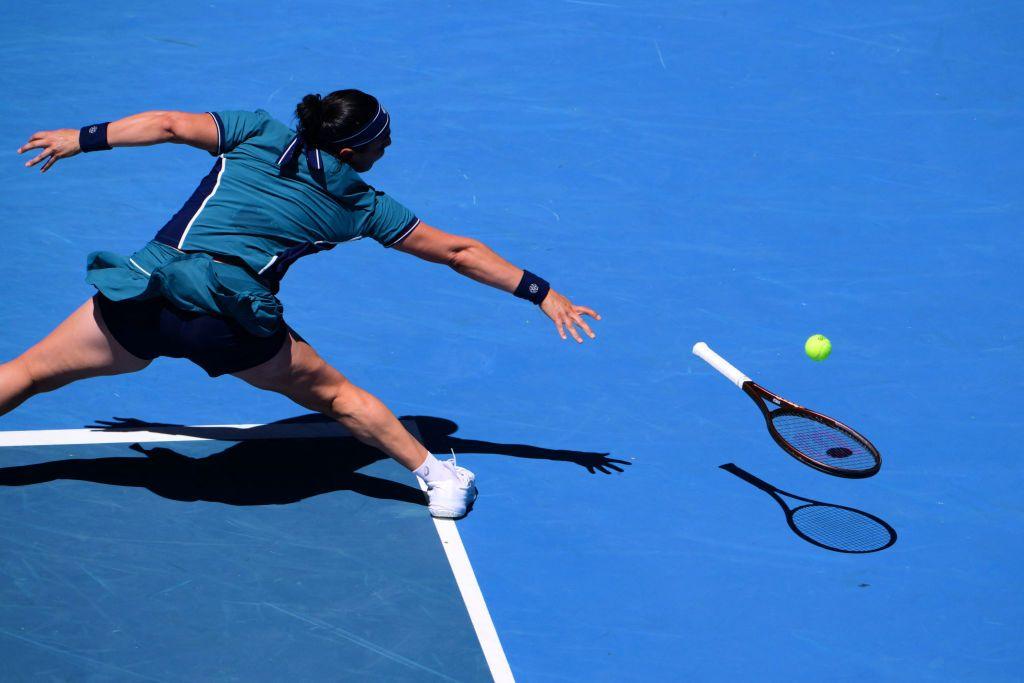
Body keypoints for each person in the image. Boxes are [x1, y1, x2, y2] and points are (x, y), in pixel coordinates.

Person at [5, 89, 601, 518]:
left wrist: (79, 140)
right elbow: (459, 252)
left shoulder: (254, 132)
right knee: (339, 398)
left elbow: (165, 123)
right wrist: (542, 294)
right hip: (227, 325)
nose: (388, 145)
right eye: (381, 138)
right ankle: (437, 477)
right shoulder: (365, 206)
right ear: (350, 151)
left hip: (145, 294)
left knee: (28, 372)